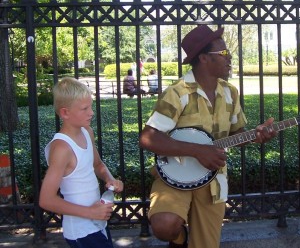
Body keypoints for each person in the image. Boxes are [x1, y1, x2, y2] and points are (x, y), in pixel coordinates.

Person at [139, 25, 277, 248]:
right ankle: (180, 238)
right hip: (174, 173)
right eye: (223, 53)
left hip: (213, 178)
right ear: (203, 58)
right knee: (165, 226)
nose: (230, 57)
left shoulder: (230, 92)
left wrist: (256, 136)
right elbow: (148, 138)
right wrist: (197, 151)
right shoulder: (178, 93)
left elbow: (236, 134)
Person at [39, 77, 124, 247]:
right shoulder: (62, 148)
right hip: (80, 231)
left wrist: (109, 179)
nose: (91, 112)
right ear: (65, 113)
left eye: (90, 106)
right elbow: (46, 199)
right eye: (84, 108)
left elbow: (98, 165)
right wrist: (90, 212)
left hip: (98, 223)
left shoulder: (87, 132)